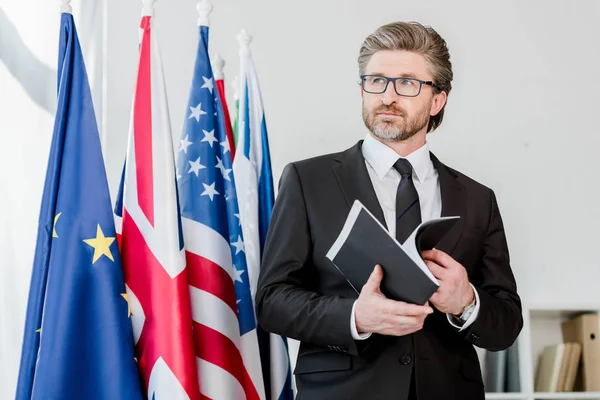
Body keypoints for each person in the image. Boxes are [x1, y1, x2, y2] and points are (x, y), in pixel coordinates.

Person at [255, 21, 522, 400]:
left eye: (407, 83)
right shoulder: (306, 180)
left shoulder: (478, 199)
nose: (387, 96)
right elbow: (271, 301)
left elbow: (507, 325)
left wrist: (466, 302)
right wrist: (355, 317)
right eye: (376, 80)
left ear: (437, 100)